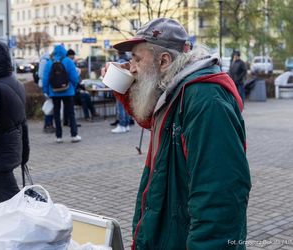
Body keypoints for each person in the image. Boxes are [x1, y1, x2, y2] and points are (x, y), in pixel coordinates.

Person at [103, 18, 251, 249]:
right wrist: (125, 89)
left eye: (137, 59)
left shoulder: (205, 99)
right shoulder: (176, 89)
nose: (131, 67)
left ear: (164, 61)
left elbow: (220, 197)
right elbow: (155, 118)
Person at [0, 42, 30, 204]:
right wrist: (24, 154)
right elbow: (23, 123)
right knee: (1, 202)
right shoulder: (16, 83)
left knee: (13, 203)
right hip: (10, 151)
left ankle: (29, 228)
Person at [43, 45, 81, 143]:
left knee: (56, 114)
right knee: (71, 113)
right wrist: (73, 86)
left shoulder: (49, 62)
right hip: (68, 91)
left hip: (54, 92)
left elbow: (45, 78)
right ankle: (74, 135)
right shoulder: (68, 61)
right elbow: (74, 77)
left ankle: (58, 137)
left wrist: (46, 91)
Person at [111, 51, 131, 133]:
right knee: (126, 106)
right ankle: (126, 125)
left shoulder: (119, 62)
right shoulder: (128, 61)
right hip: (127, 87)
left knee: (120, 107)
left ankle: (122, 125)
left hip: (120, 87)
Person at [38, 52, 55, 133]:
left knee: (50, 105)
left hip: (47, 86)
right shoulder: (45, 61)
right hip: (46, 86)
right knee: (49, 105)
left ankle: (48, 124)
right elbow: (41, 75)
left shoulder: (46, 60)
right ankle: (48, 125)